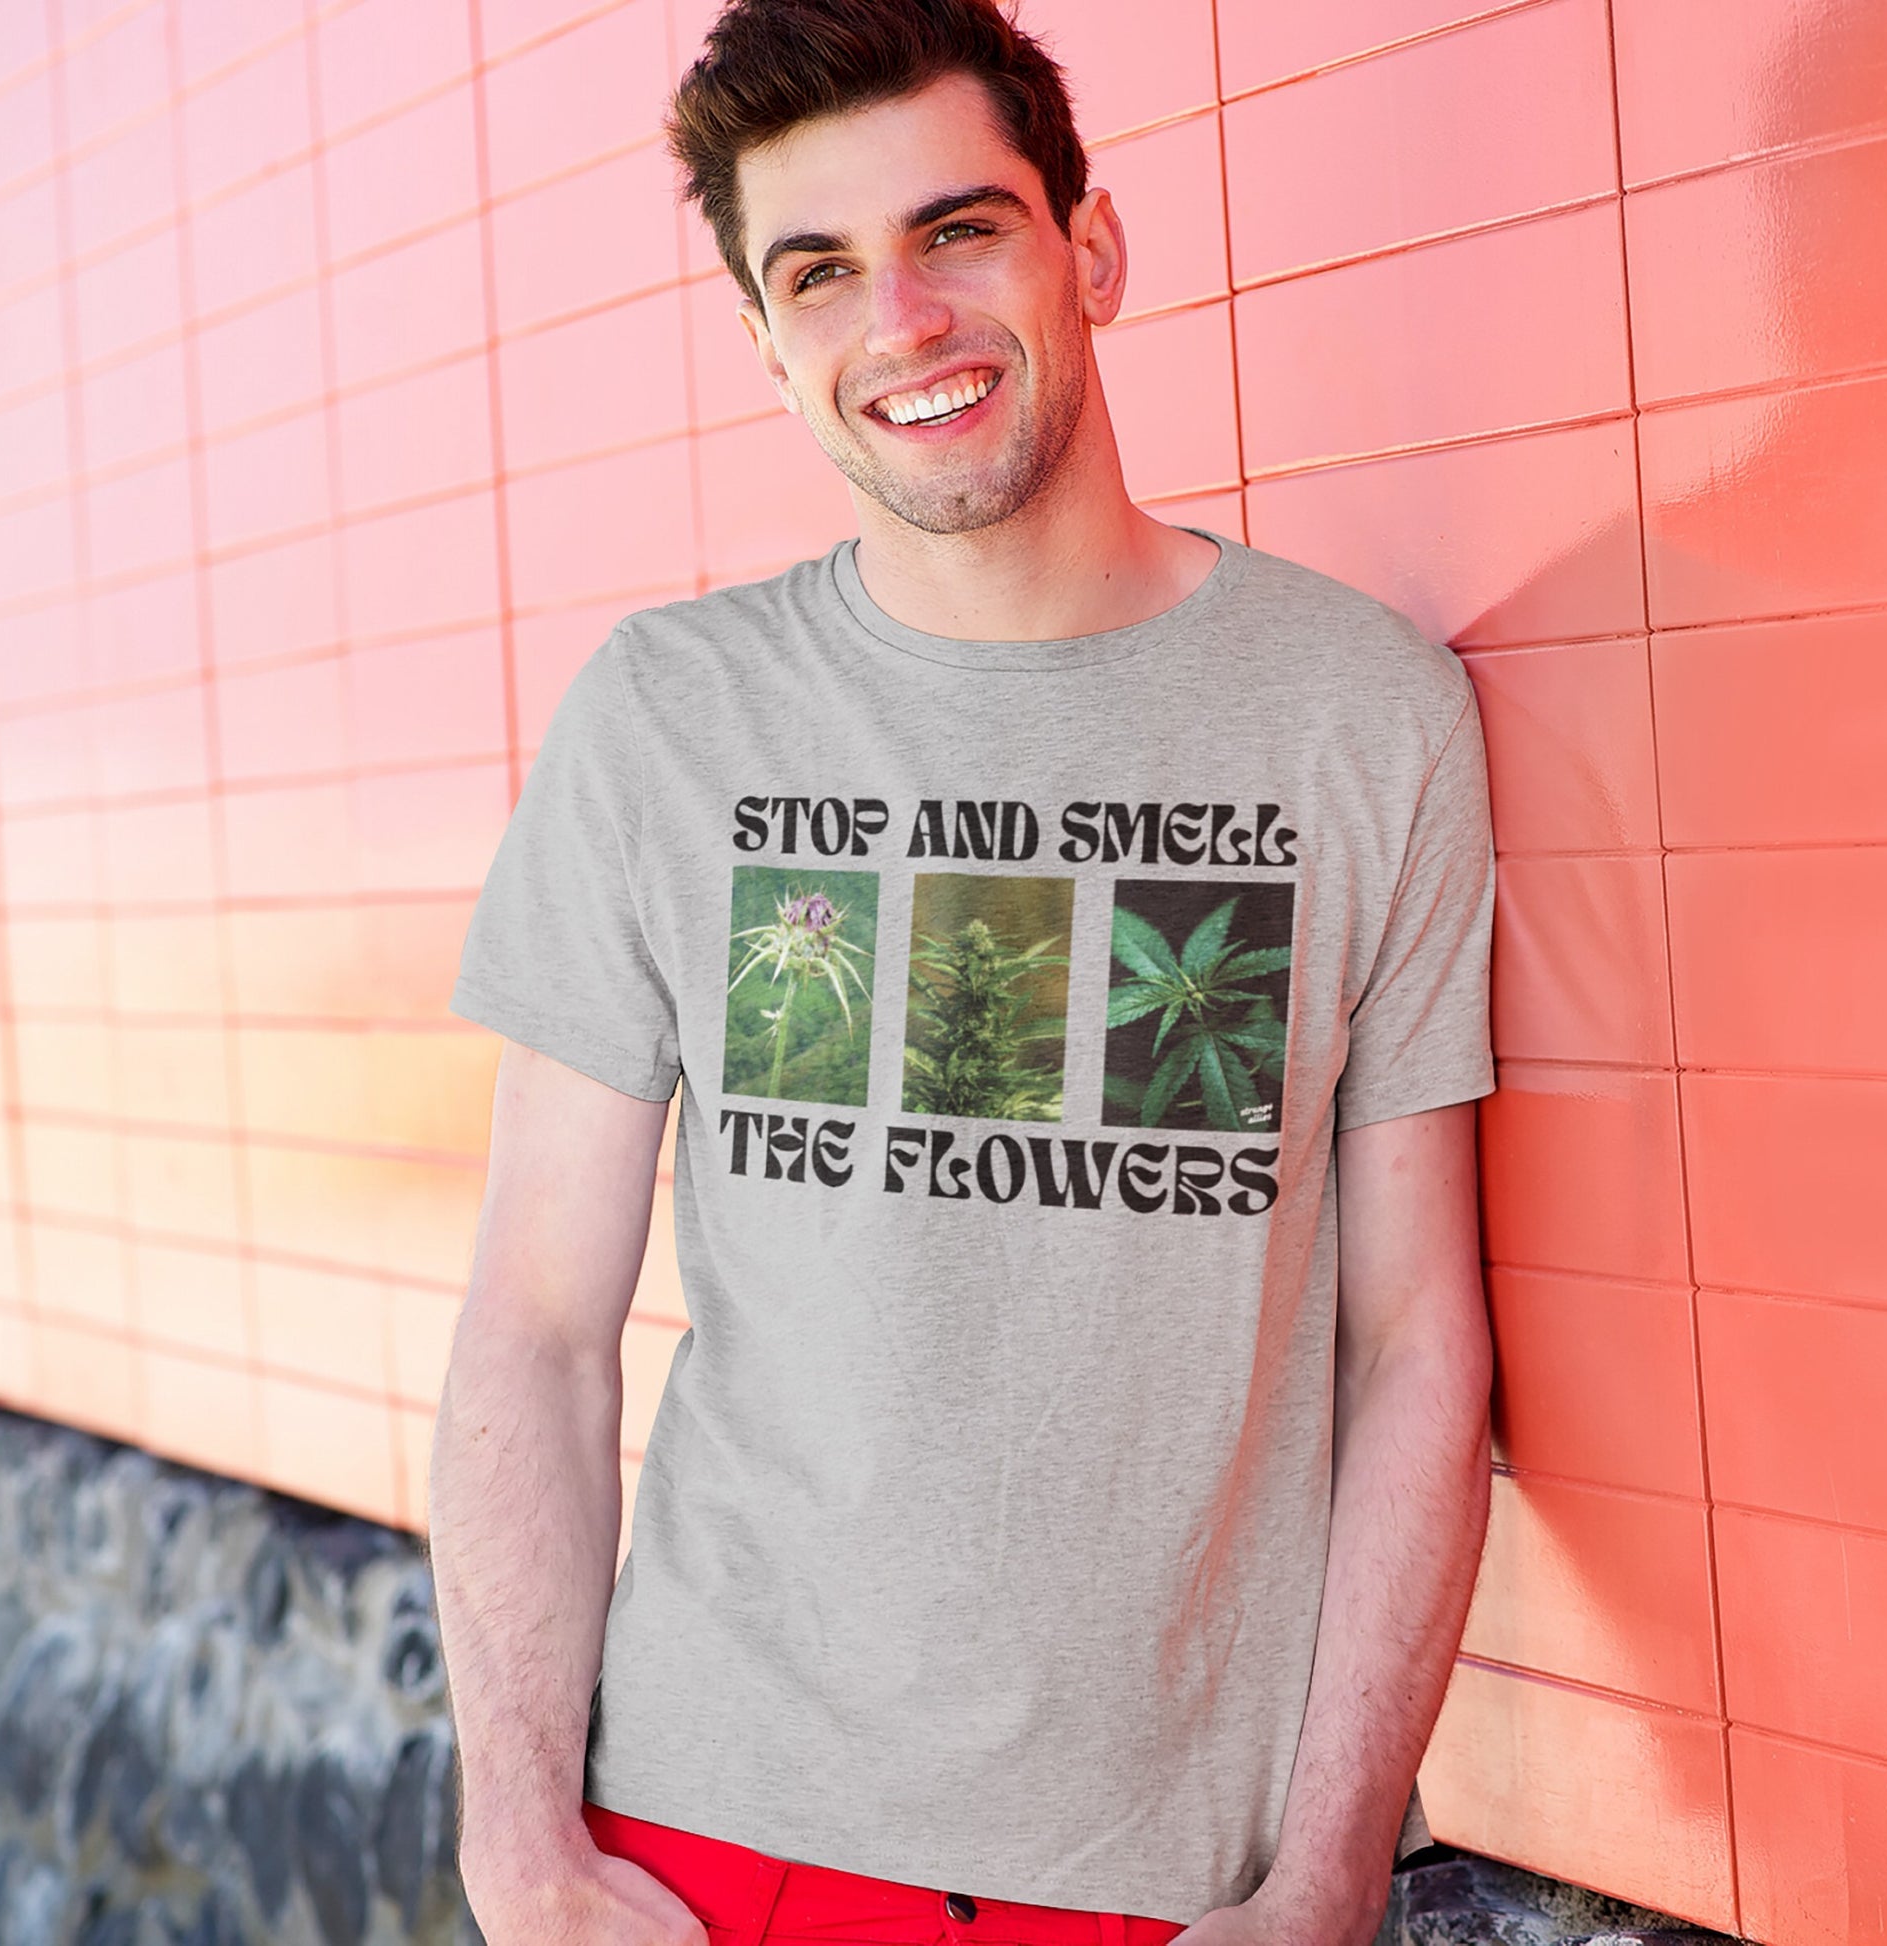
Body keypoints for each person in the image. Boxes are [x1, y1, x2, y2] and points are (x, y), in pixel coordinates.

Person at [429, 2, 1497, 1944]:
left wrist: (1329, 1869)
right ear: (766, 343)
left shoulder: (1363, 719)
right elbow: (534, 1321)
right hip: (702, 1841)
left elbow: (1417, 1340)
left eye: (959, 231)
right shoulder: (669, 719)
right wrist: (523, 1850)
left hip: (1176, 1885)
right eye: (819, 273)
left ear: (1088, 247)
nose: (900, 320)